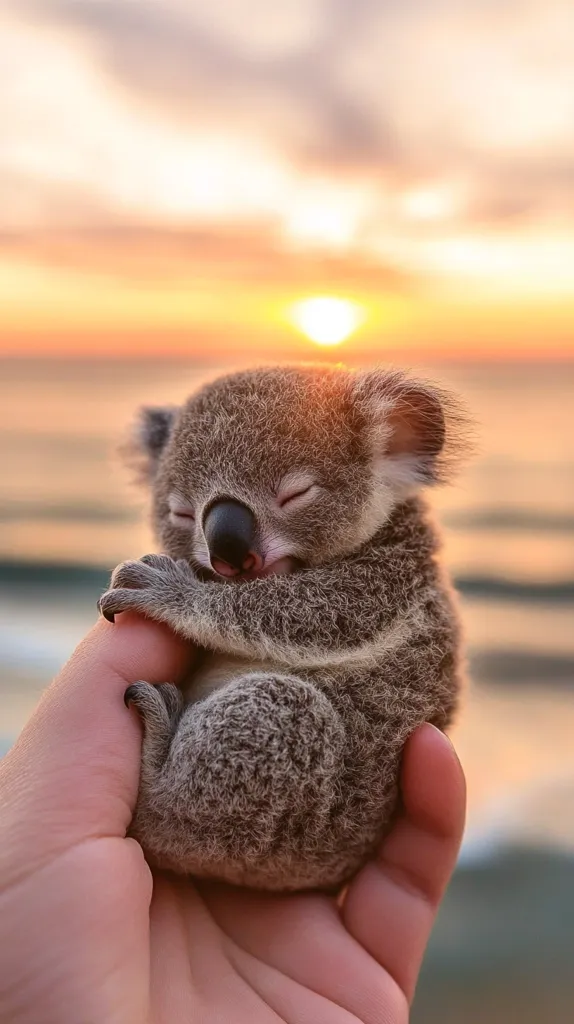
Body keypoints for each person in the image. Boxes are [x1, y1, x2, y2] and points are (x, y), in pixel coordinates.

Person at [0, 612, 465, 1024]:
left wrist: (187, 602)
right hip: (277, 862)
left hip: (292, 834)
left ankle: (166, 798)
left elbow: (325, 617)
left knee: (285, 713)